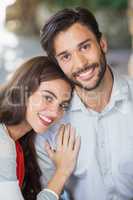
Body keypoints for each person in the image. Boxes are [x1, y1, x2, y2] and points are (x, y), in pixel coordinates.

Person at [35, 7, 133, 200]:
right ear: (57, 64)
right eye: (66, 56)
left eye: (85, 47)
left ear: (102, 43)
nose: (80, 64)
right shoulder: (49, 127)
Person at [0, 56, 80, 200]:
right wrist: (62, 171)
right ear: (24, 89)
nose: (55, 113)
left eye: (63, 105)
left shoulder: (20, 141)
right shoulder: (3, 144)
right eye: (48, 98)